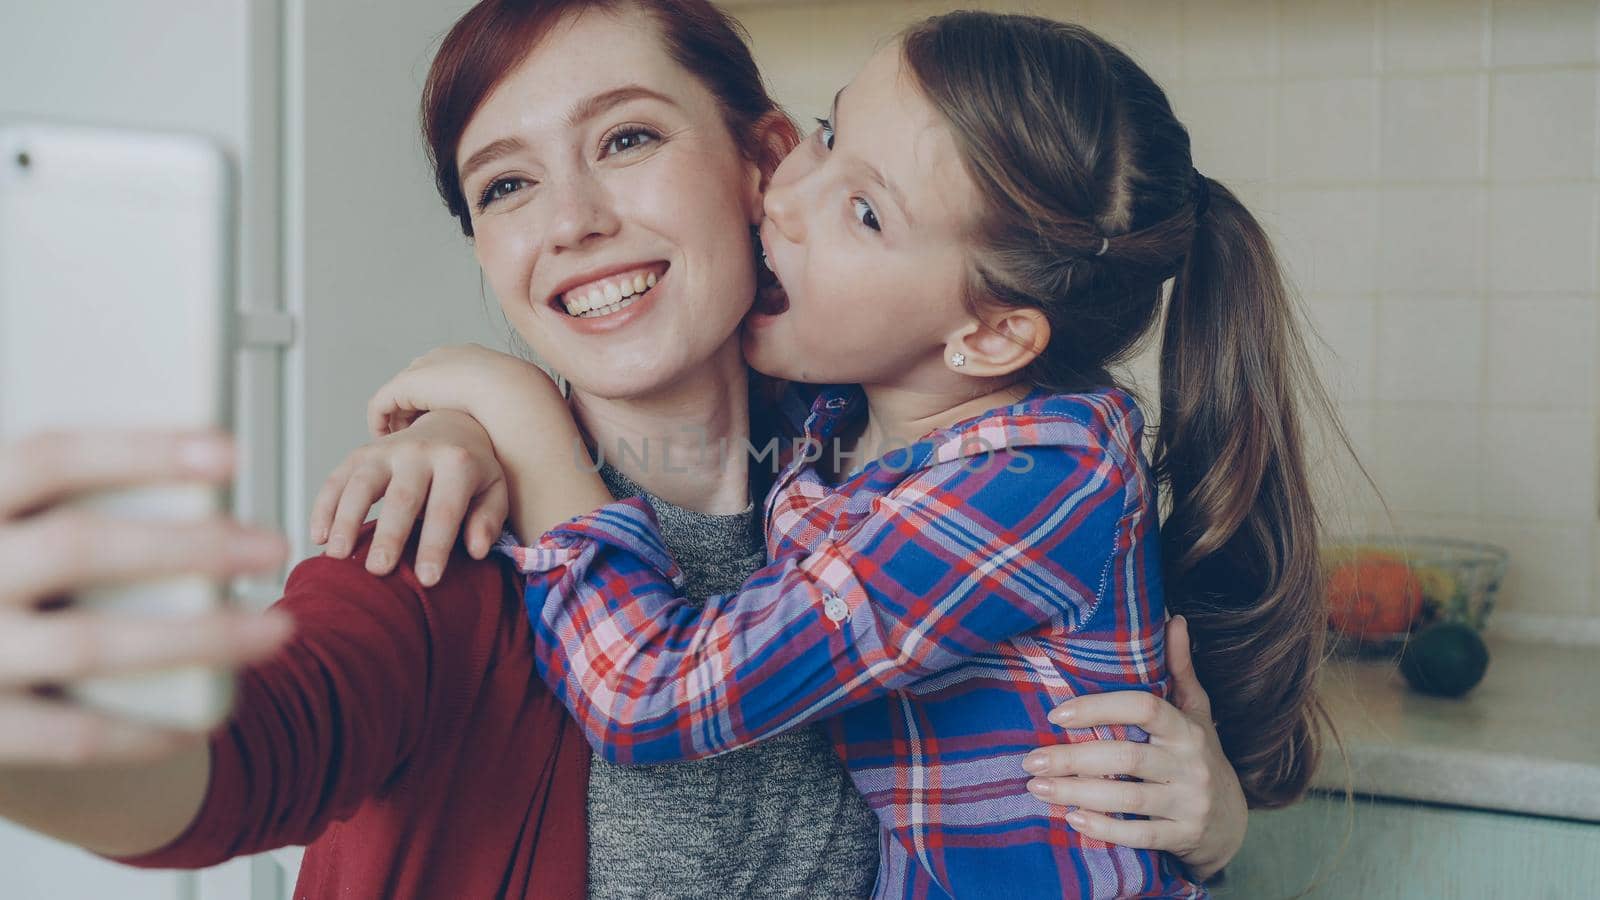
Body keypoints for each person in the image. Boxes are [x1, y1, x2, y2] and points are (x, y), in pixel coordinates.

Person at [0, 2, 1247, 897]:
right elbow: (239, 765)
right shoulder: (448, 531)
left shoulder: (876, 470)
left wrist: (1207, 824)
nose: (575, 224)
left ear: (761, 165)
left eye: (627, 140)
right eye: (504, 188)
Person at [349, 8, 1337, 898]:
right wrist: (458, 434)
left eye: (863, 212)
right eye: (826, 133)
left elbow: (648, 697)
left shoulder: (1030, 484)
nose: (786, 194)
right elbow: (651, 351)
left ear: (989, 338)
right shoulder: (844, 415)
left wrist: (516, 413)